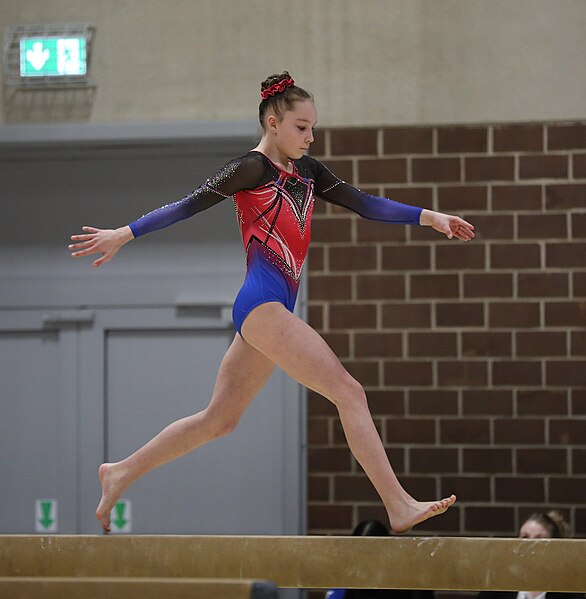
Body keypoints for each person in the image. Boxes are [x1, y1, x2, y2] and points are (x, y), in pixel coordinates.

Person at [69, 71, 474, 534]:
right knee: (349, 391)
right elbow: (188, 204)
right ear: (273, 121)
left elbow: (363, 203)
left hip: (273, 308)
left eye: (313, 127)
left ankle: (119, 471)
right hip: (262, 303)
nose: (310, 136)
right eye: (301, 127)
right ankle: (398, 505)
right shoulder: (251, 168)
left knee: (219, 420)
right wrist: (124, 233)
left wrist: (431, 217)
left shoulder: (308, 171)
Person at [477, 511, 584, 599]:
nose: (530, 546)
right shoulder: (499, 586)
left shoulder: (568, 591)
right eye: (525, 538)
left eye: (539, 540)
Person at [325, 520, 436, 598]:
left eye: (370, 555)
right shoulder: (344, 582)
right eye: (361, 555)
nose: (366, 563)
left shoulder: (412, 583)